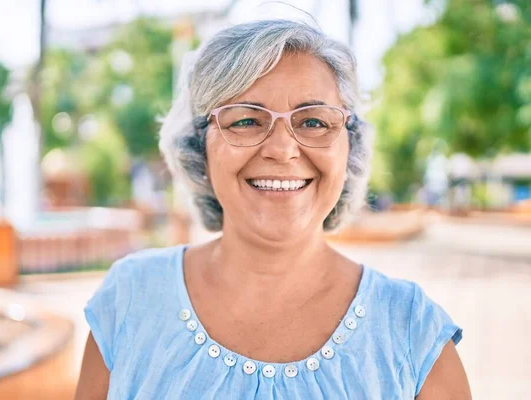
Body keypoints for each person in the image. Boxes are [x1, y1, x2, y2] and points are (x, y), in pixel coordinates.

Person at [75, 20, 470, 399]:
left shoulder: (413, 335)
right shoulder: (129, 301)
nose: (282, 149)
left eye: (314, 121)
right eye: (245, 120)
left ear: (349, 146)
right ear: (200, 147)